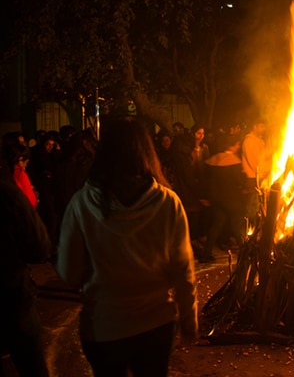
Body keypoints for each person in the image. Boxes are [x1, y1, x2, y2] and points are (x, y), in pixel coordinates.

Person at [56, 116, 198, 377]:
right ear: (146, 151)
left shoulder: (82, 203)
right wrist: (189, 320)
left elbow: (69, 272)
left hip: (104, 327)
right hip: (157, 324)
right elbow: (182, 268)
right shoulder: (168, 202)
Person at [0, 180, 52, 377]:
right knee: (33, 368)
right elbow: (39, 248)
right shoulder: (7, 194)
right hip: (11, 296)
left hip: (12, 294)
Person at [202, 133, 247, 261]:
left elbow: (206, 181)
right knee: (238, 227)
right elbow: (240, 180)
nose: (238, 147)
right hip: (232, 199)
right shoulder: (234, 161)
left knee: (215, 227)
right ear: (232, 146)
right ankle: (245, 252)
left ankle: (206, 254)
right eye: (237, 144)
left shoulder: (212, 160)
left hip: (217, 200)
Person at [241, 118, 267, 229]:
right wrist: (262, 173)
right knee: (250, 206)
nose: (263, 129)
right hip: (251, 178)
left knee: (258, 206)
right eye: (261, 126)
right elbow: (253, 161)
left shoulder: (261, 141)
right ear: (254, 127)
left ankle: (255, 229)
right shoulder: (248, 141)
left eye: (264, 126)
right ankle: (246, 232)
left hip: (260, 178)